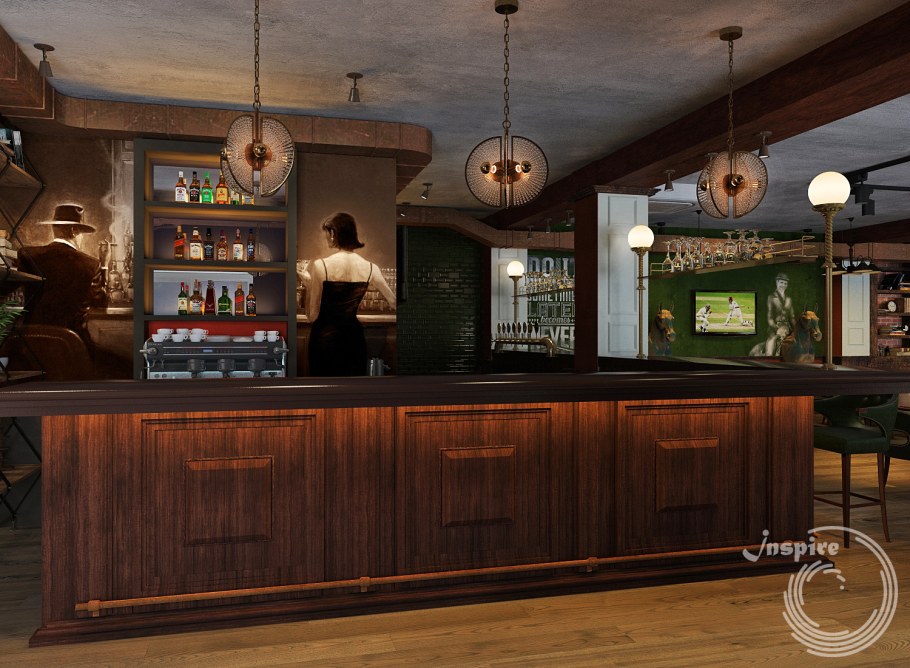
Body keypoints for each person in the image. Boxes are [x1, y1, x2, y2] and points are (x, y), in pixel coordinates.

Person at [305, 212, 396, 376]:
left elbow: (312, 316)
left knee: (323, 386)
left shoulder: (321, 266)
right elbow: (394, 302)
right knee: (352, 386)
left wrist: (308, 285)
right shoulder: (371, 267)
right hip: (353, 339)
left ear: (333, 233)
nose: (326, 238)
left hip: (325, 339)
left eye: (327, 233)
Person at [19, 203, 107, 347]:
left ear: (54, 229)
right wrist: (104, 266)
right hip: (72, 345)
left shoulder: (28, 255)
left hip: (33, 343)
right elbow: (100, 302)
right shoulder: (91, 264)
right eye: (81, 233)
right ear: (74, 231)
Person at [764, 273, 796, 355]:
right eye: (781, 282)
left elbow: (792, 317)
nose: (783, 285)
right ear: (777, 282)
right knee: (770, 351)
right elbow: (769, 317)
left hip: (787, 329)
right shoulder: (771, 297)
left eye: (785, 283)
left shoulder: (789, 299)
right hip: (775, 329)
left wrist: (796, 329)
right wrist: (776, 329)